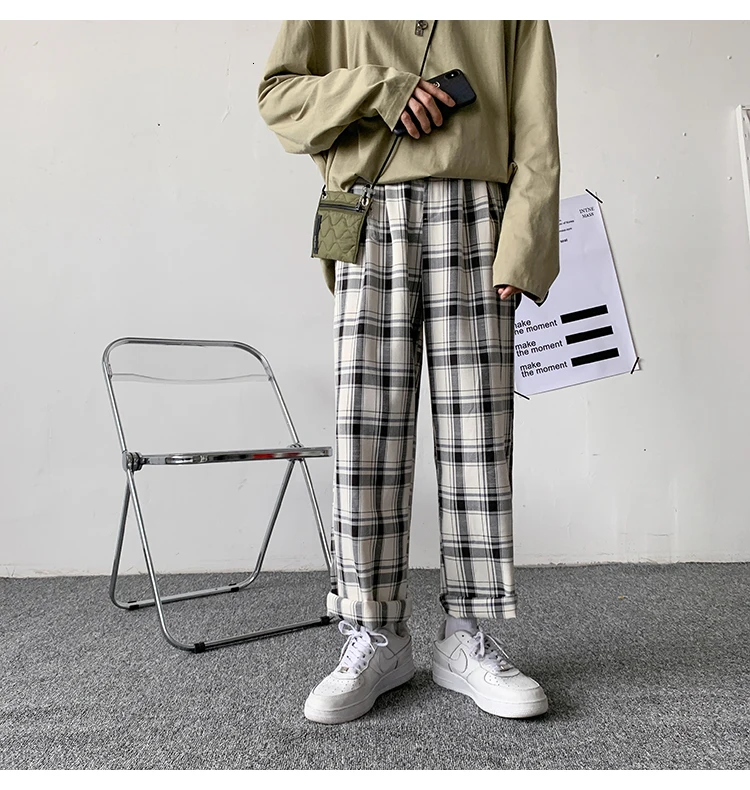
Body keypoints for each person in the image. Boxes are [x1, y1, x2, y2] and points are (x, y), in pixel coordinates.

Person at [258, 19, 560, 725]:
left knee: (478, 431)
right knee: (365, 435)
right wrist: (379, 89)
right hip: (369, 207)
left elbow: (537, 125)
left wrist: (523, 243)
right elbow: (279, 97)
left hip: (478, 211)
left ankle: (466, 635)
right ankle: (375, 634)